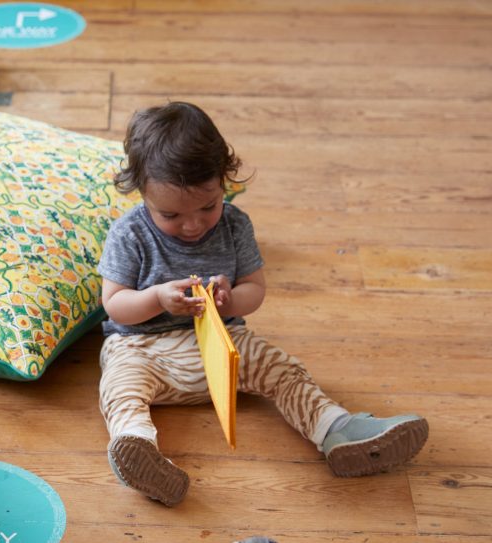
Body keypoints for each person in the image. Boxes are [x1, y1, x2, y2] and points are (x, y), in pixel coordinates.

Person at [98, 101, 428, 507]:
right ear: (141, 193)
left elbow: (255, 289)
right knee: (118, 387)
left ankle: (337, 430)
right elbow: (114, 305)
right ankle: (139, 450)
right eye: (171, 214)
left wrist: (230, 299)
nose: (193, 224)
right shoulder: (129, 233)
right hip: (142, 350)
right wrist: (156, 298)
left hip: (224, 347)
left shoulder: (236, 224)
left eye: (208, 206)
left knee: (283, 368)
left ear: (225, 181)